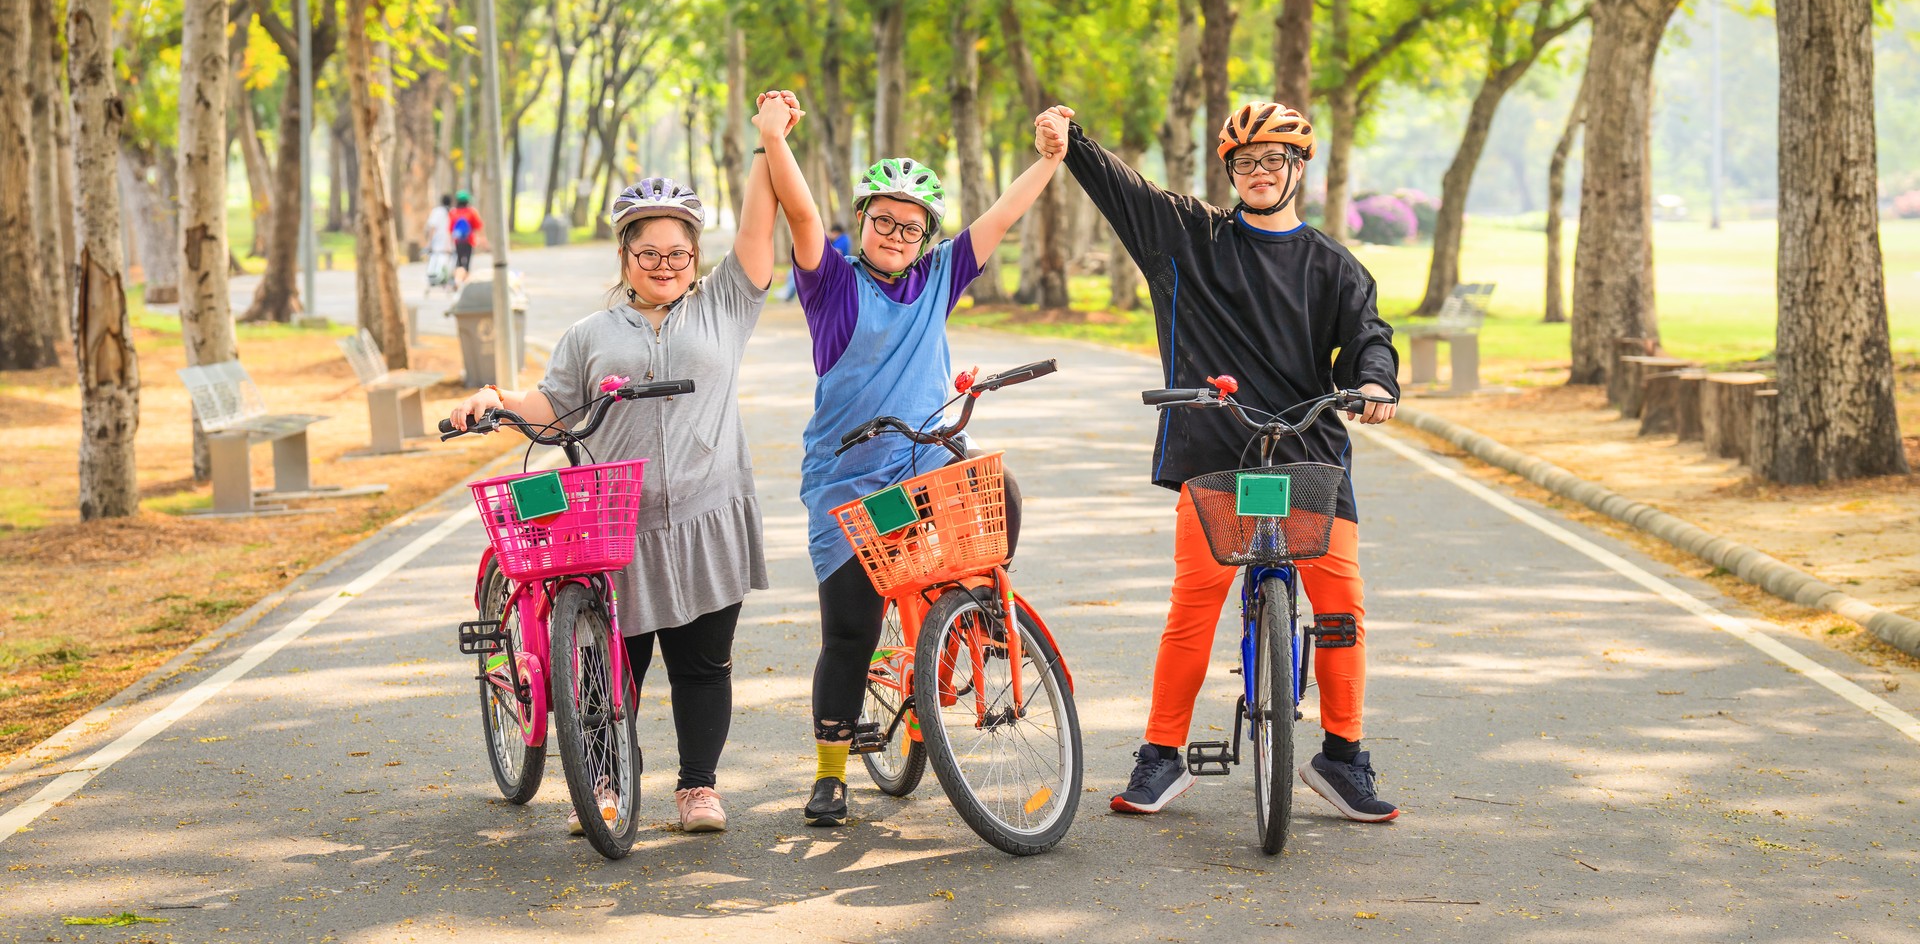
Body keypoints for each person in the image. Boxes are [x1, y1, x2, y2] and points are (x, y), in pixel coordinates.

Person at [1035, 101, 1402, 824]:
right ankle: (1161, 756)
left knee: (1341, 610)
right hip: (1214, 449)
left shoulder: (1334, 265)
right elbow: (1123, 191)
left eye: (1273, 160)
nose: (1258, 173)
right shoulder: (1187, 238)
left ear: (1299, 168)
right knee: (1194, 605)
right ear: (1229, 172)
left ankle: (1342, 756)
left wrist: (1375, 382)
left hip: (1308, 453)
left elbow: (1369, 336)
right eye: (1244, 163)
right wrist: (1071, 139)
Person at [444, 125, 785, 835]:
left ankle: (697, 789)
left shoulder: (725, 304)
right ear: (626, 256)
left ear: (696, 257)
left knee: (702, 666)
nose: (665, 264)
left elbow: (759, 227)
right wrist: (496, 399)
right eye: (650, 252)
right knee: (603, 675)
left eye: (679, 253)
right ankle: (603, 782)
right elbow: (552, 406)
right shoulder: (588, 335)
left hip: (706, 514)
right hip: (611, 527)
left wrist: (764, 144)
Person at [755, 90, 1062, 828]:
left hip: (925, 462)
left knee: (1001, 489)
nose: (896, 233)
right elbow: (799, 213)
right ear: (861, 222)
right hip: (848, 478)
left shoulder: (938, 279)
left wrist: (1049, 159)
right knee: (851, 633)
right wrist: (773, 137)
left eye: (911, 226)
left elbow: (1000, 218)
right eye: (884, 220)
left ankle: (982, 618)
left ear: (926, 237)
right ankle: (831, 774)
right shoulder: (830, 284)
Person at [449, 190, 484, 286]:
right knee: (467, 262)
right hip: (469, 241)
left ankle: (457, 280)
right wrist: (481, 239)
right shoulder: (472, 212)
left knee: (459, 261)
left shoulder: (453, 213)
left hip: (458, 241)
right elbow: (478, 226)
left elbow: (450, 228)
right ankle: (465, 282)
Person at [424, 194, 454, 289]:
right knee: (445, 263)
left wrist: (429, 242)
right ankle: (443, 281)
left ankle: (435, 281)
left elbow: (432, 227)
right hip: (448, 243)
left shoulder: (437, 211)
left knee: (435, 262)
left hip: (437, 243)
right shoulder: (451, 212)